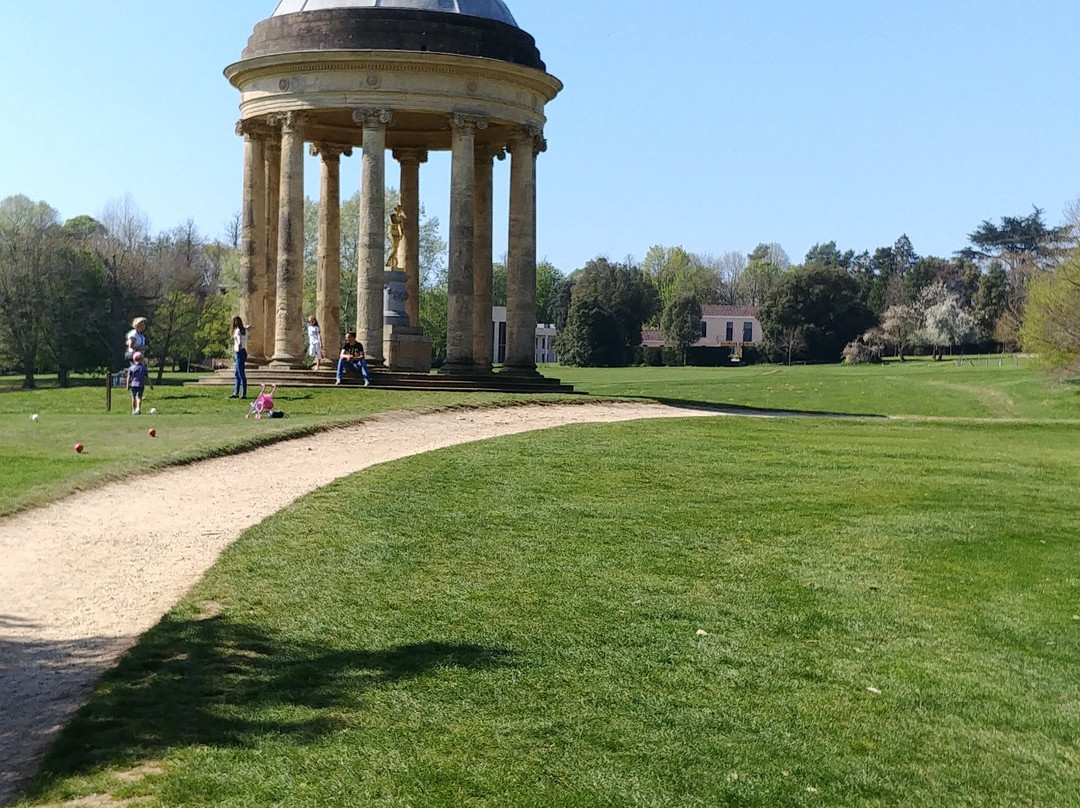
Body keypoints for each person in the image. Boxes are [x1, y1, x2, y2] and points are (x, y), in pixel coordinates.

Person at [229, 315, 248, 399]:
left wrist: (237, 348)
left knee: (240, 374)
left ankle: (243, 394)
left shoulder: (237, 331)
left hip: (240, 352)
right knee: (237, 373)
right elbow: (246, 328)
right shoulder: (244, 330)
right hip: (244, 351)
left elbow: (239, 342)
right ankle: (236, 392)